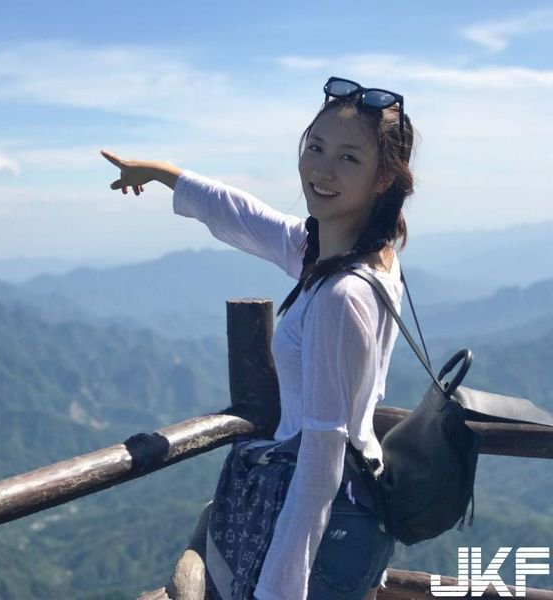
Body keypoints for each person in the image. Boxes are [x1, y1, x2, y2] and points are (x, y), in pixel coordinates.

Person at [101, 76, 415, 600]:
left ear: (384, 177)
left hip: (322, 528)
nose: (322, 169)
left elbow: (320, 459)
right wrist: (162, 174)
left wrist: (279, 590)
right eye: (316, 147)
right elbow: (247, 218)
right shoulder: (351, 255)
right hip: (354, 506)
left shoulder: (341, 294)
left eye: (348, 158)